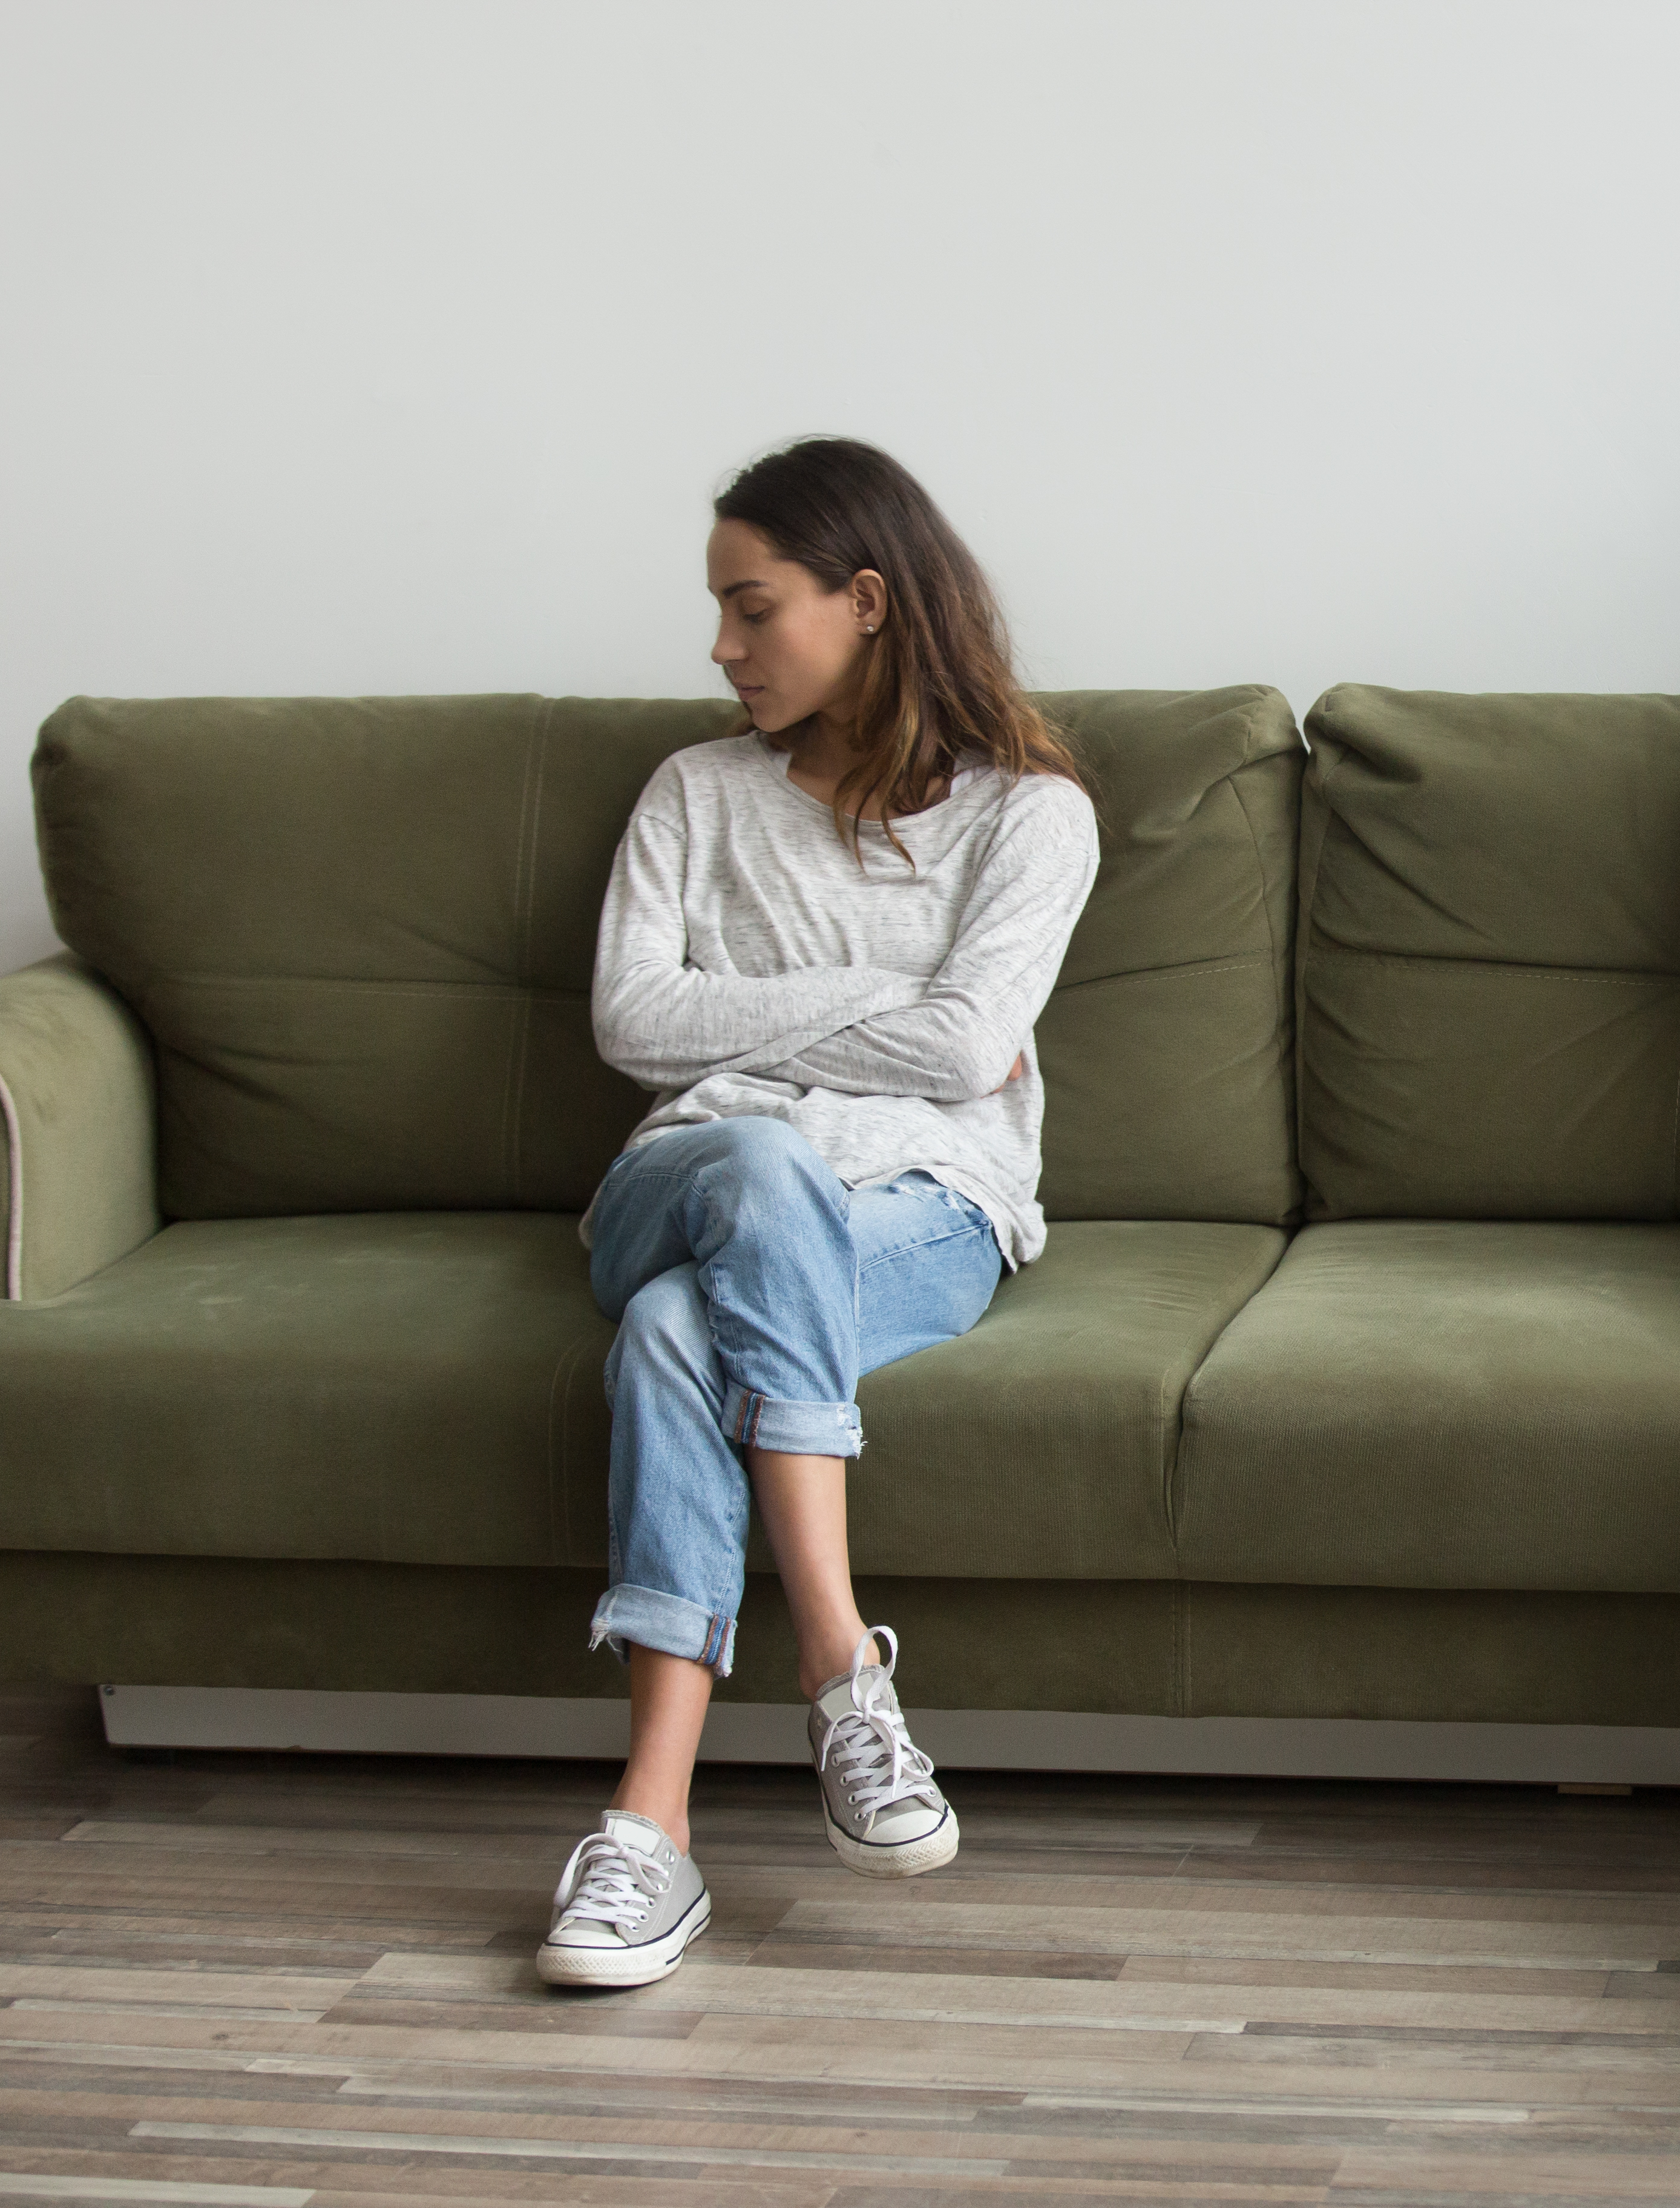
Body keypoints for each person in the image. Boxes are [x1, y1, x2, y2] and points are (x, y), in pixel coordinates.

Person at [534, 438, 1100, 1989]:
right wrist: (879, 997)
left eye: (750, 607)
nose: (721, 649)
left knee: (673, 1335)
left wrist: (760, 1013)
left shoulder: (1028, 817)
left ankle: (650, 1832)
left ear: (864, 601)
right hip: (685, 1175)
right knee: (760, 1172)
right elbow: (634, 1022)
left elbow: (967, 1050)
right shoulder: (692, 795)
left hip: (925, 1205)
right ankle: (845, 1668)